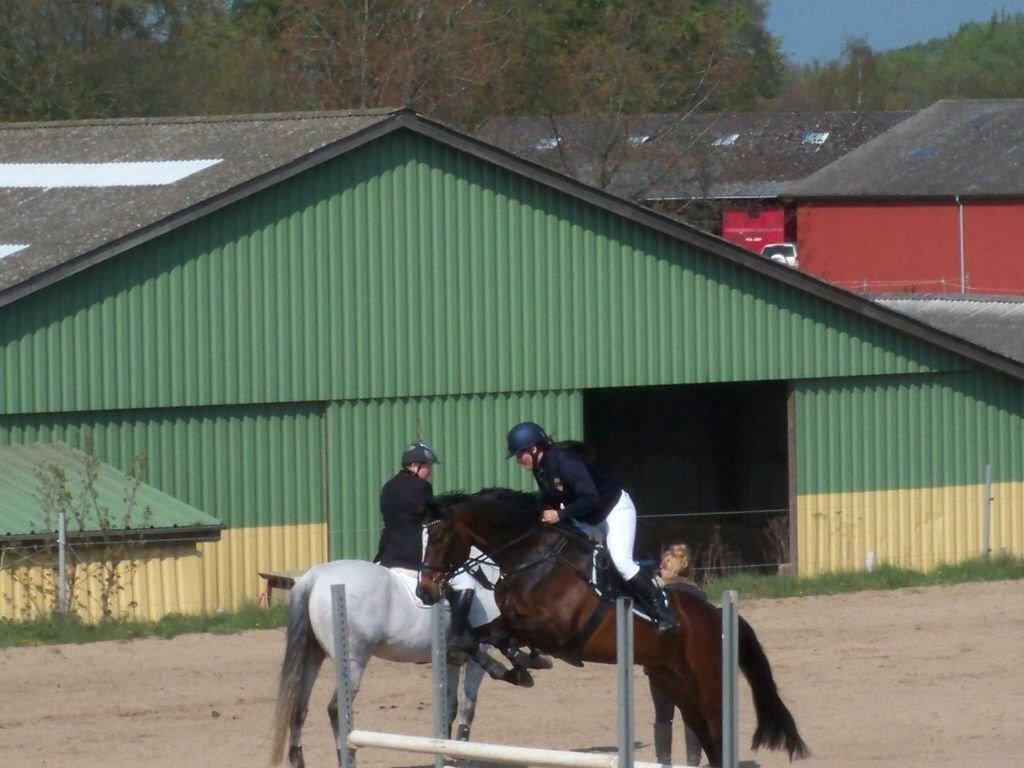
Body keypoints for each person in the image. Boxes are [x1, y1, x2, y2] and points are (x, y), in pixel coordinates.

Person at [505, 421, 678, 636]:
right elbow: (551, 495)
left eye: (519, 455)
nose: (518, 460)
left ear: (533, 448)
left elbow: (590, 498)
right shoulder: (541, 468)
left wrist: (559, 514)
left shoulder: (565, 462)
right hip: (586, 518)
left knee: (621, 562)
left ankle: (662, 611)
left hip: (613, 511)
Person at [374, 441, 478, 649]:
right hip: (414, 554)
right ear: (415, 465)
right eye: (428, 466)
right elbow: (432, 522)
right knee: (467, 584)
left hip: (387, 554)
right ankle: (458, 637)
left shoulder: (388, 487)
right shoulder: (421, 488)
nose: (429, 471)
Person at [649, 543, 704, 766]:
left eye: (662, 567)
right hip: (690, 662)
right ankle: (693, 761)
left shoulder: (658, 595)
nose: (659, 570)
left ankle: (664, 762)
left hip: (660, 661)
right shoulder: (699, 594)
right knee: (691, 712)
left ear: (671, 570)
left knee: (663, 714)